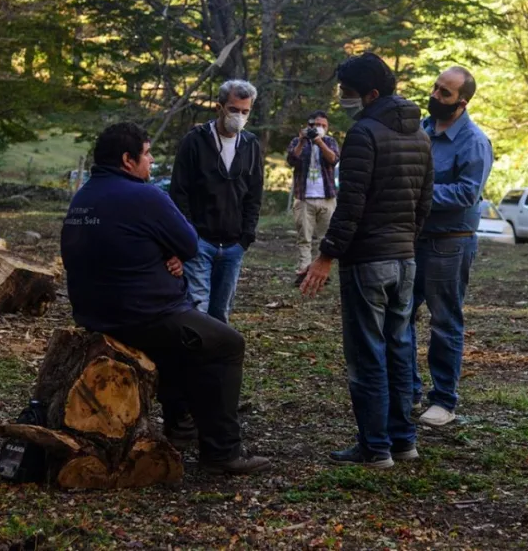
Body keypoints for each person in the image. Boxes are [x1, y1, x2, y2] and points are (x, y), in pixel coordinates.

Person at [61, 122, 271, 475]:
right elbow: (189, 244)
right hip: (143, 314)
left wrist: (160, 252)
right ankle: (222, 451)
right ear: (127, 160)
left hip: (94, 312)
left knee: (184, 341)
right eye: (146, 153)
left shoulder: (84, 197)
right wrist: (168, 251)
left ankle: (182, 427)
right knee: (226, 342)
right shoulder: (144, 195)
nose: (151, 160)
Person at [301, 53, 434, 468]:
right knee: (400, 349)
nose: (343, 98)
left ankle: (375, 446)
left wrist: (325, 256)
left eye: (349, 92)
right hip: (405, 259)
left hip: (369, 262)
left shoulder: (364, 133)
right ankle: (403, 440)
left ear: (372, 94)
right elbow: (424, 201)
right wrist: (406, 242)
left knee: (367, 355)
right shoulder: (422, 135)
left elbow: (351, 204)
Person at [409, 66, 493, 427]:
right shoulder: (421, 130)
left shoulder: (474, 141)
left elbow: (466, 193)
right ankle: (407, 390)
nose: (435, 96)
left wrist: (419, 193)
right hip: (413, 238)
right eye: (435, 88)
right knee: (400, 316)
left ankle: (443, 401)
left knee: (444, 323)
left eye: (445, 93)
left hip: (450, 243)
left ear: (463, 101)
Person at [170, 79, 264, 324]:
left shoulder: (251, 145)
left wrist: (246, 237)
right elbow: (179, 191)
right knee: (196, 309)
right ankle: (192, 361)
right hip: (199, 241)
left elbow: (254, 194)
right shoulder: (195, 141)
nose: (239, 116)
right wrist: (189, 234)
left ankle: (215, 361)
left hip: (234, 244)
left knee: (220, 313)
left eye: (245, 111)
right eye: (234, 109)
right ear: (219, 107)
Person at [286, 111, 340, 284]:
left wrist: (319, 141)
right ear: (309, 125)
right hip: (304, 197)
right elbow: (292, 160)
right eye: (317, 125)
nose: (320, 128)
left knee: (326, 238)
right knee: (304, 237)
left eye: (324, 126)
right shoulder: (297, 141)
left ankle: (320, 273)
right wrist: (303, 140)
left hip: (327, 197)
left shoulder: (330, 141)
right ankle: (304, 271)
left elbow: (333, 159)